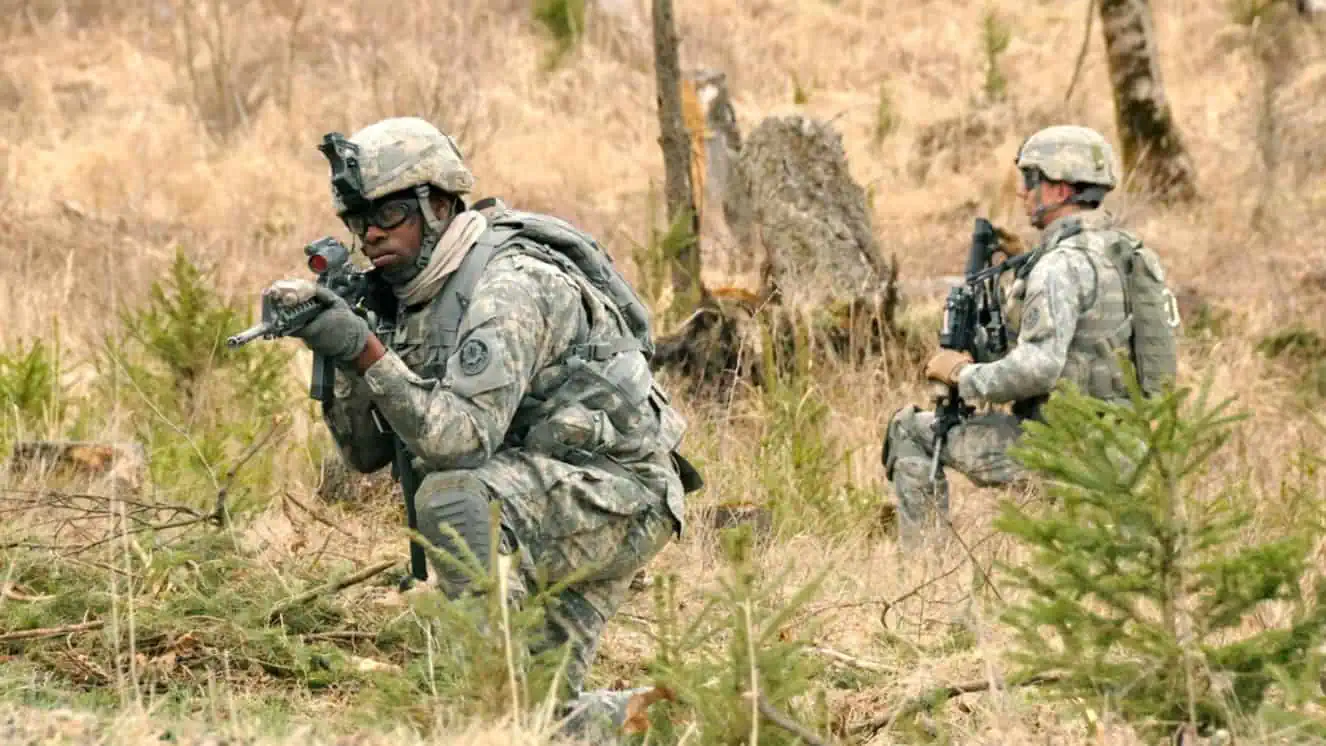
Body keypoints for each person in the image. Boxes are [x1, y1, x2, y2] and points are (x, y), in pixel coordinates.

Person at [260, 116, 702, 728]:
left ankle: (484, 703)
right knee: (541, 720)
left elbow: (454, 443)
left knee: (452, 498)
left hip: (617, 492)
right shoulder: (406, 294)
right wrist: (337, 351)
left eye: (388, 214)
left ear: (437, 204)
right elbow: (364, 454)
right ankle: (693, 724)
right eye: (358, 220)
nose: (370, 234)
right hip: (538, 492)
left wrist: (366, 350)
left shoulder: (511, 285)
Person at [880, 124, 1178, 543]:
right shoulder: (1131, 254)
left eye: (1028, 179)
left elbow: (1038, 369)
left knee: (908, 430)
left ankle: (924, 573)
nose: (1021, 191)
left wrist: (961, 375)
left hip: (1069, 452)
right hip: (1135, 449)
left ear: (1058, 190)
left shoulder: (1059, 267)